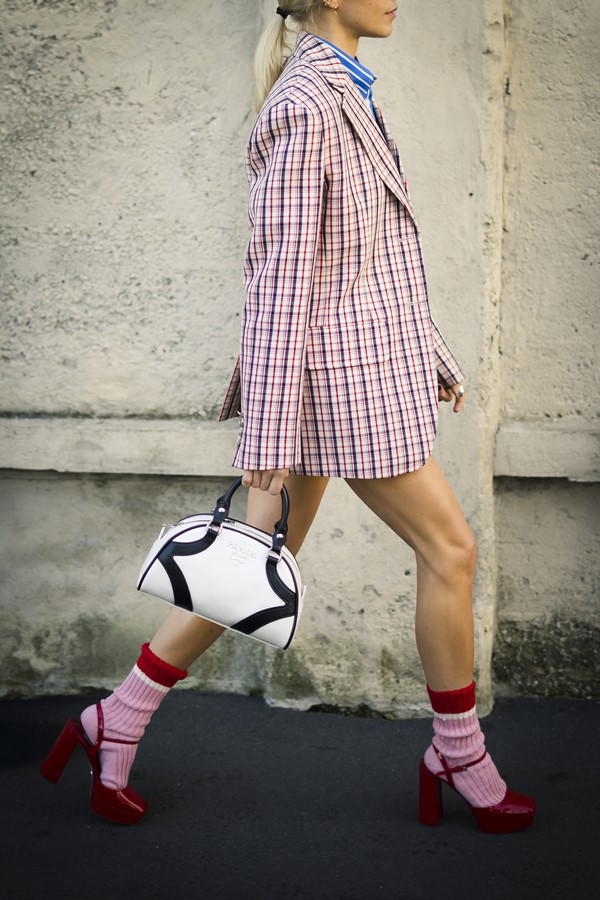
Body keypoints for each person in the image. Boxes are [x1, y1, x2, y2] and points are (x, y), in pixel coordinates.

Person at [41, 1, 535, 833]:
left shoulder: (342, 88)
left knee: (244, 576)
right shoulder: (308, 102)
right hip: (336, 387)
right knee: (451, 549)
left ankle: (115, 721)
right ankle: (458, 751)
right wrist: (267, 438)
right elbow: (281, 279)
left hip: (348, 377)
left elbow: (369, 259)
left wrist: (435, 358)